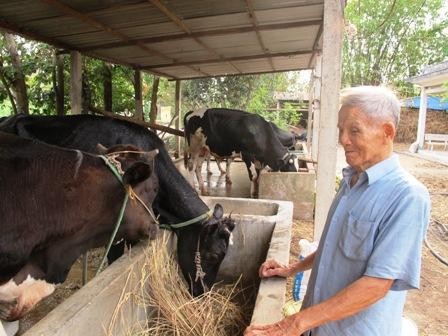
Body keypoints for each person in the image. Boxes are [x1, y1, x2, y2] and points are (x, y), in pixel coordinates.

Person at [244, 86, 431, 336]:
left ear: (387, 132)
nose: (343, 139)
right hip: (317, 326)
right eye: (341, 130)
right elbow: (335, 246)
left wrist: (295, 323)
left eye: (354, 130)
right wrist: (291, 269)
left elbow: (377, 284)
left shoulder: (407, 196)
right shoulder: (350, 180)